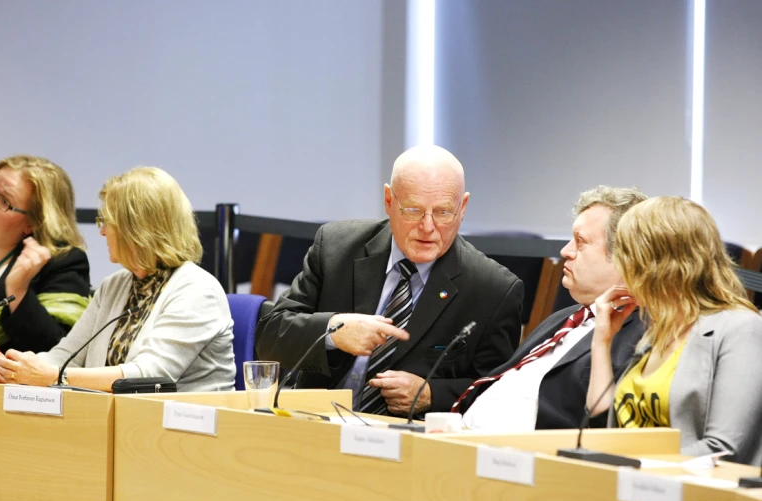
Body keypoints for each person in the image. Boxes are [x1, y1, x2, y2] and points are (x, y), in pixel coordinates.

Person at [255, 145, 523, 416]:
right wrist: (334, 330)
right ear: (389, 200)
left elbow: (499, 392)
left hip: (414, 445)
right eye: (413, 210)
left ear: (462, 207)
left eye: (443, 212)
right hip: (317, 428)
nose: (428, 227)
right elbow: (269, 335)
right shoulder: (337, 248)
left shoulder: (493, 289)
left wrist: (432, 395)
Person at [0, 166, 235, 392]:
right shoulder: (115, 285)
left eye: (106, 221)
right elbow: (66, 354)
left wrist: (55, 377)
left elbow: (150, 376)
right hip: (115, 425)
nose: (101, 231)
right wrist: (10, 367)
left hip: (185, 431)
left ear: (136, 230)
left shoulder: (197, 290)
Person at [454, 186, 648, 431]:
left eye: (581, 242)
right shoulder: (564, 318)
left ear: (626, 257)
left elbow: (605, 426)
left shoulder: (643, 335)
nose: (565, 251)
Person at [587, 197, 762, 466]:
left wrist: (632, 465)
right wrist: (602, 340)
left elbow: (724, 449)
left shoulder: (741, 329)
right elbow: (602, 417)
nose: (622, 267)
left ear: (657, 263)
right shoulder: (657, 332)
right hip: (629, 489)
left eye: (627, 254)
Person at [0, 155, 90, 358]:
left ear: (34, 222)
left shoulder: (62, 263)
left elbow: (59, 351)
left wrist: (18, 293)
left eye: (4, 201)